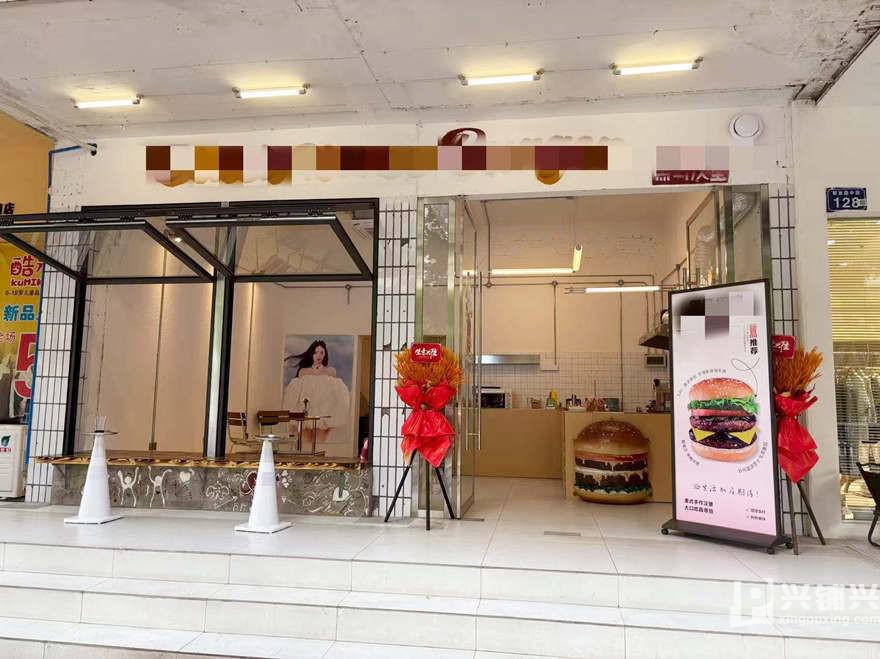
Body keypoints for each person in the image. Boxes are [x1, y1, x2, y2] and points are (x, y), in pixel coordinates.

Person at [282, 340, 350, 451]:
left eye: (321, 352)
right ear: (311, 354)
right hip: (307, 412)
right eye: (315, 352)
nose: (318, 355)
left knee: (320, 444)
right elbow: (295, 394)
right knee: (305, 443)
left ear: (325, 354)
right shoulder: (304, 372)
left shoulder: (330, 371)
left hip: (324, 413)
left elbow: (337, 395)